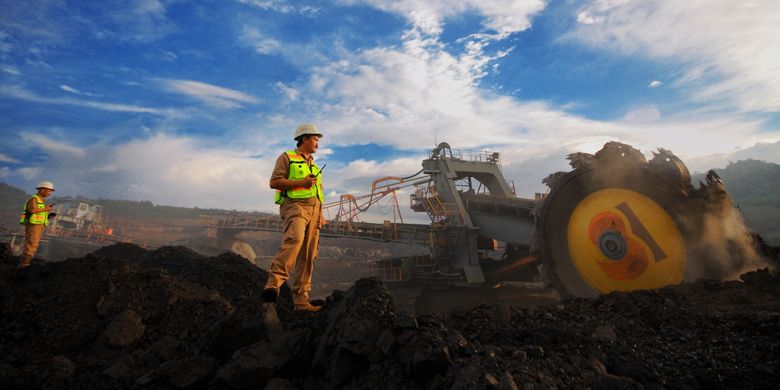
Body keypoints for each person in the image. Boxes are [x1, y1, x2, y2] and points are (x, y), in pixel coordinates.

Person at [261, 123, 326, 312]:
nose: (317, 144)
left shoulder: (313, 164)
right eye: (315, 139)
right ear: (304, 138)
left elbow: (319, 192)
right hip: (295, 206)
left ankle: (301, 301)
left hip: (315, 210)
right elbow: (274, 182)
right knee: (294, 239)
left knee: (308, 255)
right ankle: (273, 285)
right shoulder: (287, 157)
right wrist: (301, 183)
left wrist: (321, 214)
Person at [18, 181, 56, 268]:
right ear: (42, 189)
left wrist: (48, 216)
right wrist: (46, 209)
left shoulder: (41, 201)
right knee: (32, 243)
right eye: (49, 191)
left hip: (38, 225)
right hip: (33, 225)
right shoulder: (34, 199)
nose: (50, 193)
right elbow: (32, 210)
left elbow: (39, 213)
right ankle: (24, 265)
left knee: (33, 244)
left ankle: (25, 263)